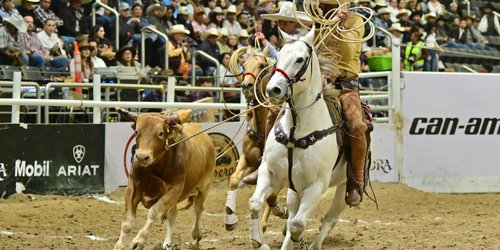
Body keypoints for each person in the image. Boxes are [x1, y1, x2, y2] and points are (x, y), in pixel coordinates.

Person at [316, 0, 372, 206]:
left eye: (329, 5)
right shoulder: (317, 23)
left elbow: (348, 50)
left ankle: (356, 181)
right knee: (278, 110)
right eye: (324, 6)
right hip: (318, 84)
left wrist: (338, 27)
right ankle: (265, 164)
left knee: (357, 125)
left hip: (345, 87)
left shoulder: (356, 22)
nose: (325, 9)